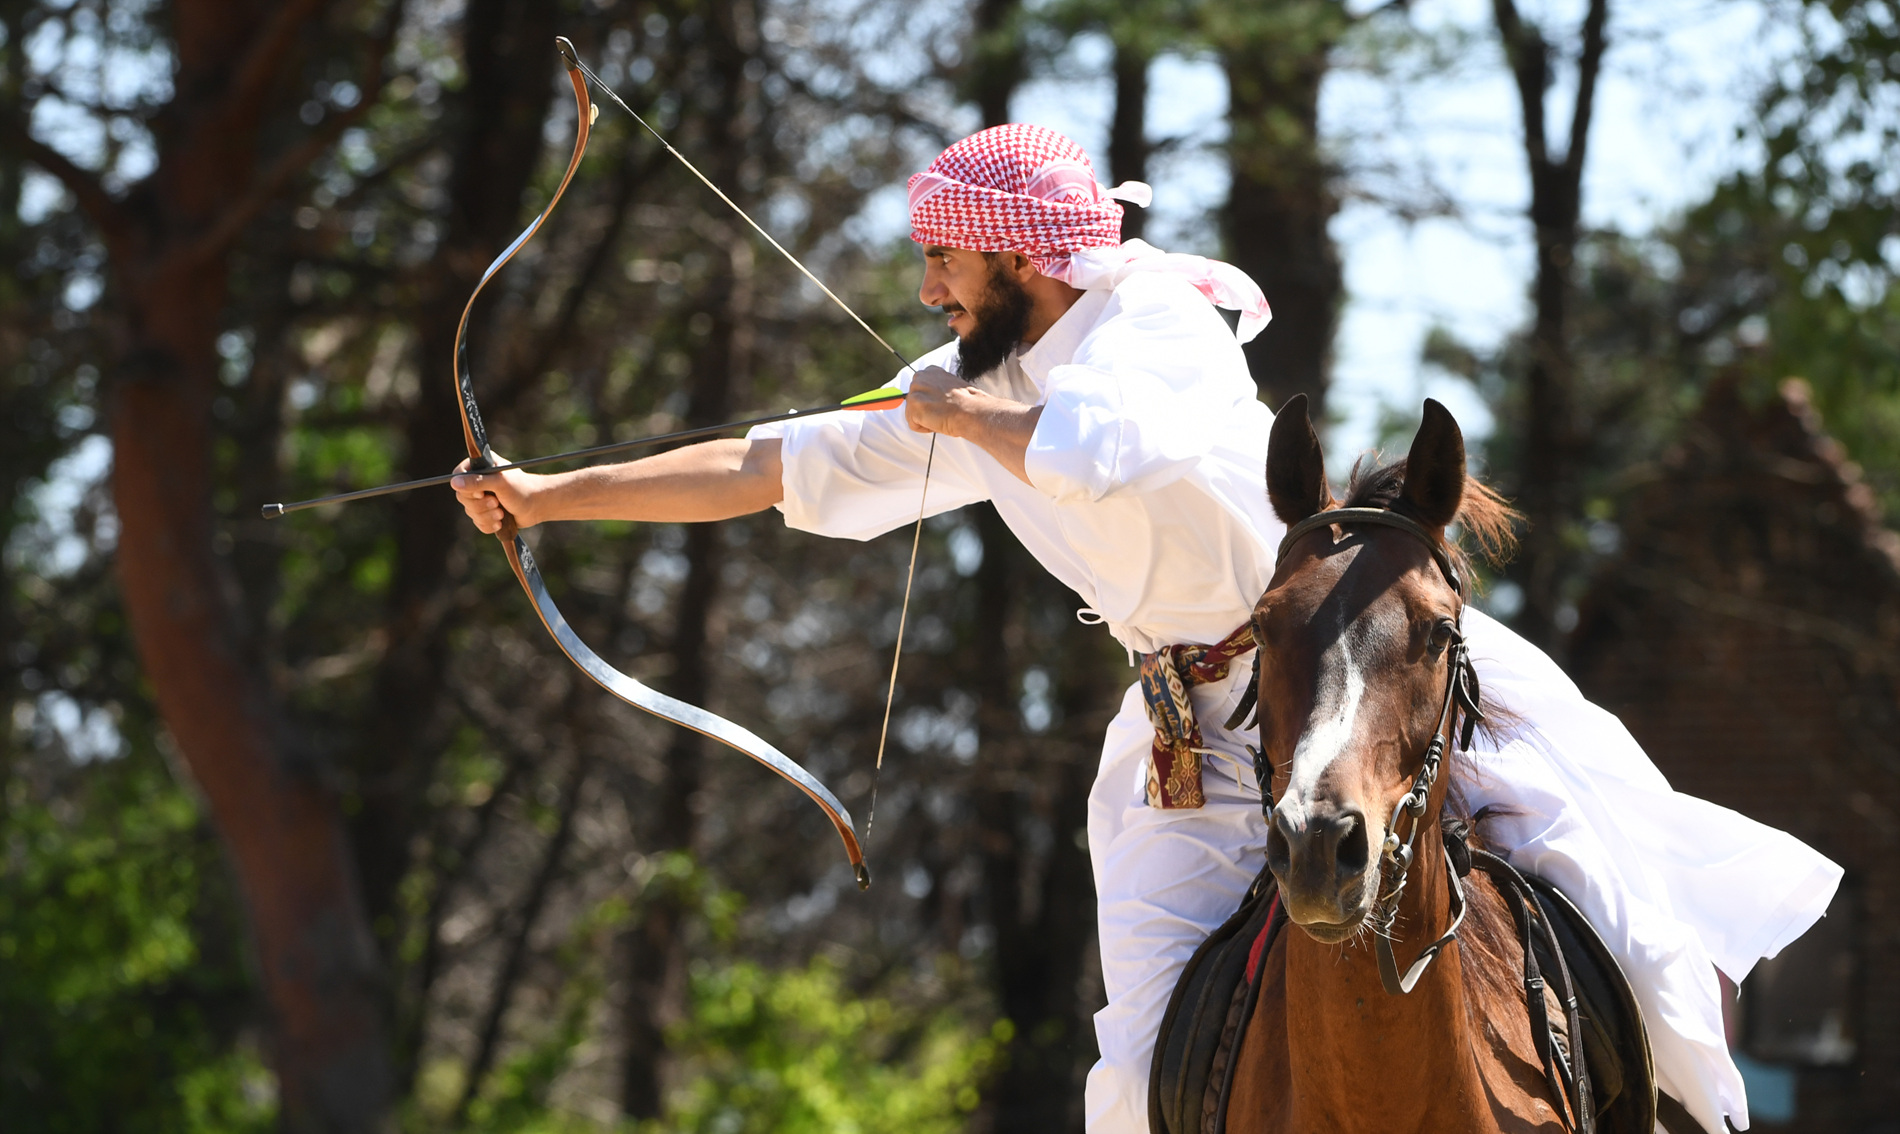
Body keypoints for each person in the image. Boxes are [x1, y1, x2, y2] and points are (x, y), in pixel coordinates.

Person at [451, 124, 1841, 1133]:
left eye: (945, 259)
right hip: (1186, 739)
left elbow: (1105, 447)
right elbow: (770, 464)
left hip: (1350, 674)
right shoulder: (969, 379)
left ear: (1019, 257)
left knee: (1633, 929)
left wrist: (960, 416)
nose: (929, 290)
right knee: (1127, 1080)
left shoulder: (1152, 319)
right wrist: (546, 498)